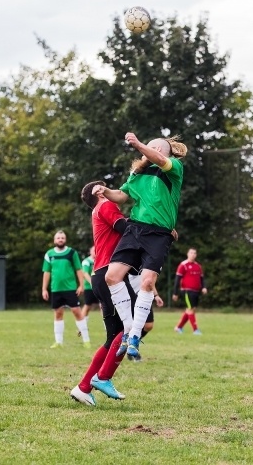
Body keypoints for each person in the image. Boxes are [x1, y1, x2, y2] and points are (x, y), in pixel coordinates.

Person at [93, 132, 187, 359]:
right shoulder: (138, 173)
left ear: (161, 150)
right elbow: (121, 195)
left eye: (152, 147)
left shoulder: (173, 168)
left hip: (159, 234)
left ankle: (135, 335)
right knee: (112, 277)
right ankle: (128, 330)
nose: (148, 150)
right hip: (134, 229)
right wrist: (105, 191)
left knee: (147, 282)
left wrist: (138, 144)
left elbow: (160, 160)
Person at [70, 180, 164, 407]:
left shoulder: (98, 210)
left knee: (114, 335)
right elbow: (127, 229)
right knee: (132, 327)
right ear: (98, 192)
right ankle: (103, 377)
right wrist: (159, 230)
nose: (111, 191)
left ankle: (83, 388)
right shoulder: (105, 205)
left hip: (103, 276)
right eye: (105, 187)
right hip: (109, 277)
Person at [42, 231, 90, 348]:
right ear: (54, 240)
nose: (60, 239)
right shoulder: (49, 254)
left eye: (62, 238)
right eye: (58, 238)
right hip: (56, 289)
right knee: (58, 313)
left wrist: (81, 285)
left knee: (77, 312)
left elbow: (79, 269)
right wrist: (44, 289)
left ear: (65, 240)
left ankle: (86, 340)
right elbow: (46, 272)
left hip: (70, 288)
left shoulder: (71, 253)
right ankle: (58, 342)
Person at [172, 248, 207, 335]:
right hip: (187, 291)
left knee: (191, 309)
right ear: (187, 254)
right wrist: (175, 293)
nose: (193, 255)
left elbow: (201, 279)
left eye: (194, 253)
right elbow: (177, 280)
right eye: (191, 253)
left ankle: (178, 327)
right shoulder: (183, 265)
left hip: (196, 291)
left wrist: (204, 287)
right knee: (190, 309)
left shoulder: (198, 266)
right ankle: (195, 330)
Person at [80, 246, 99, 322]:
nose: (95, 252)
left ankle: (107, 326)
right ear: (90, 252)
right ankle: (82, 324)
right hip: (89, 287)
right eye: (94, 250)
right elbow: (85, 273)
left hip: (99, 287)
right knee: (87, 305)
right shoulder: (86, 261)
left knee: (103, 306)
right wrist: (92, 282)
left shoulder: (100, 260)